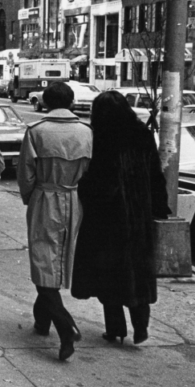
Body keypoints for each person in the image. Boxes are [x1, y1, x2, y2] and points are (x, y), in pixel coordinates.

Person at [72, 90, 170, 345]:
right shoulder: (142, 134)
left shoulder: (101, 137)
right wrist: (159, 207)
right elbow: (155, 175)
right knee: (138, 270)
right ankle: (141, 327)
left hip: (108, 216)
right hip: (138, 215)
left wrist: (86, 197)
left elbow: (95, 180)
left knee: (108, 272)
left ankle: (115, 329)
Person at [17, 81, 93, 362]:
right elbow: (89, 171)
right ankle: (42, 321)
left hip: (45, 196)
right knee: (57, 258)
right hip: (72, 198)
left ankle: (65, 325)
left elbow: (26, 172)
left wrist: (30, 197)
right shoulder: (86, 132)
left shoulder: (37, 132)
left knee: (42, 258)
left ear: (46, 102)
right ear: (71, 101)